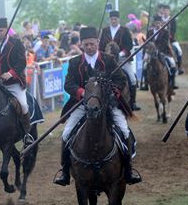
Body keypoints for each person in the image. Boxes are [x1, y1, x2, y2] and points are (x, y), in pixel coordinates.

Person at [53, 26, 142, 186]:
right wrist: (82, 93)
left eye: (92, 44)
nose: (89, 47)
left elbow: (121, 80)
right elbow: (69, 84)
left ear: (97, 42)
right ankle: (65, 172)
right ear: (81, 44)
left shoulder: (108, 60)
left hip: (107, 104)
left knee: (124, 130)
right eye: (86, 44)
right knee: (66, 134)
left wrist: (112, 92)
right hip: (82, 104)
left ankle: (129, 169)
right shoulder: (74, 62)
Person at [0, 17, 32, 143]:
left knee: (23, 105)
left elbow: (22, 62)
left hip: (13, 83)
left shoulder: (16, 44)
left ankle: (27, 134)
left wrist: (11, 73)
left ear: (7, 30)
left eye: (1, 31)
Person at [100, 10, 140, 111]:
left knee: (132, 78)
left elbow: (129, 45)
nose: (113, 21)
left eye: (115, 19)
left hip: (122, 59)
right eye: (111, 19)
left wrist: (120, 53)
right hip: (107, 60)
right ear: (109, 20)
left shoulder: (125, 30)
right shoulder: (105, 30)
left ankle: (133, 102)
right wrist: (105, 55)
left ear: (118, 19)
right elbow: (101, 45)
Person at [148, 15, 178, 89]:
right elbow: (147, 42)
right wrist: (148, 51)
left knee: (172, 64)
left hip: (164, 52)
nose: (157, 24)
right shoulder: (150, 32)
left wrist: (157, 49)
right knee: (145, 65)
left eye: (159, 23)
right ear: (154, 23)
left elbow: (164, 43)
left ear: (161, 23)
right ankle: (145, 82)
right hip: (151, 52)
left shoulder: (165, 32)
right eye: (156, 23)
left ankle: (172, 82)